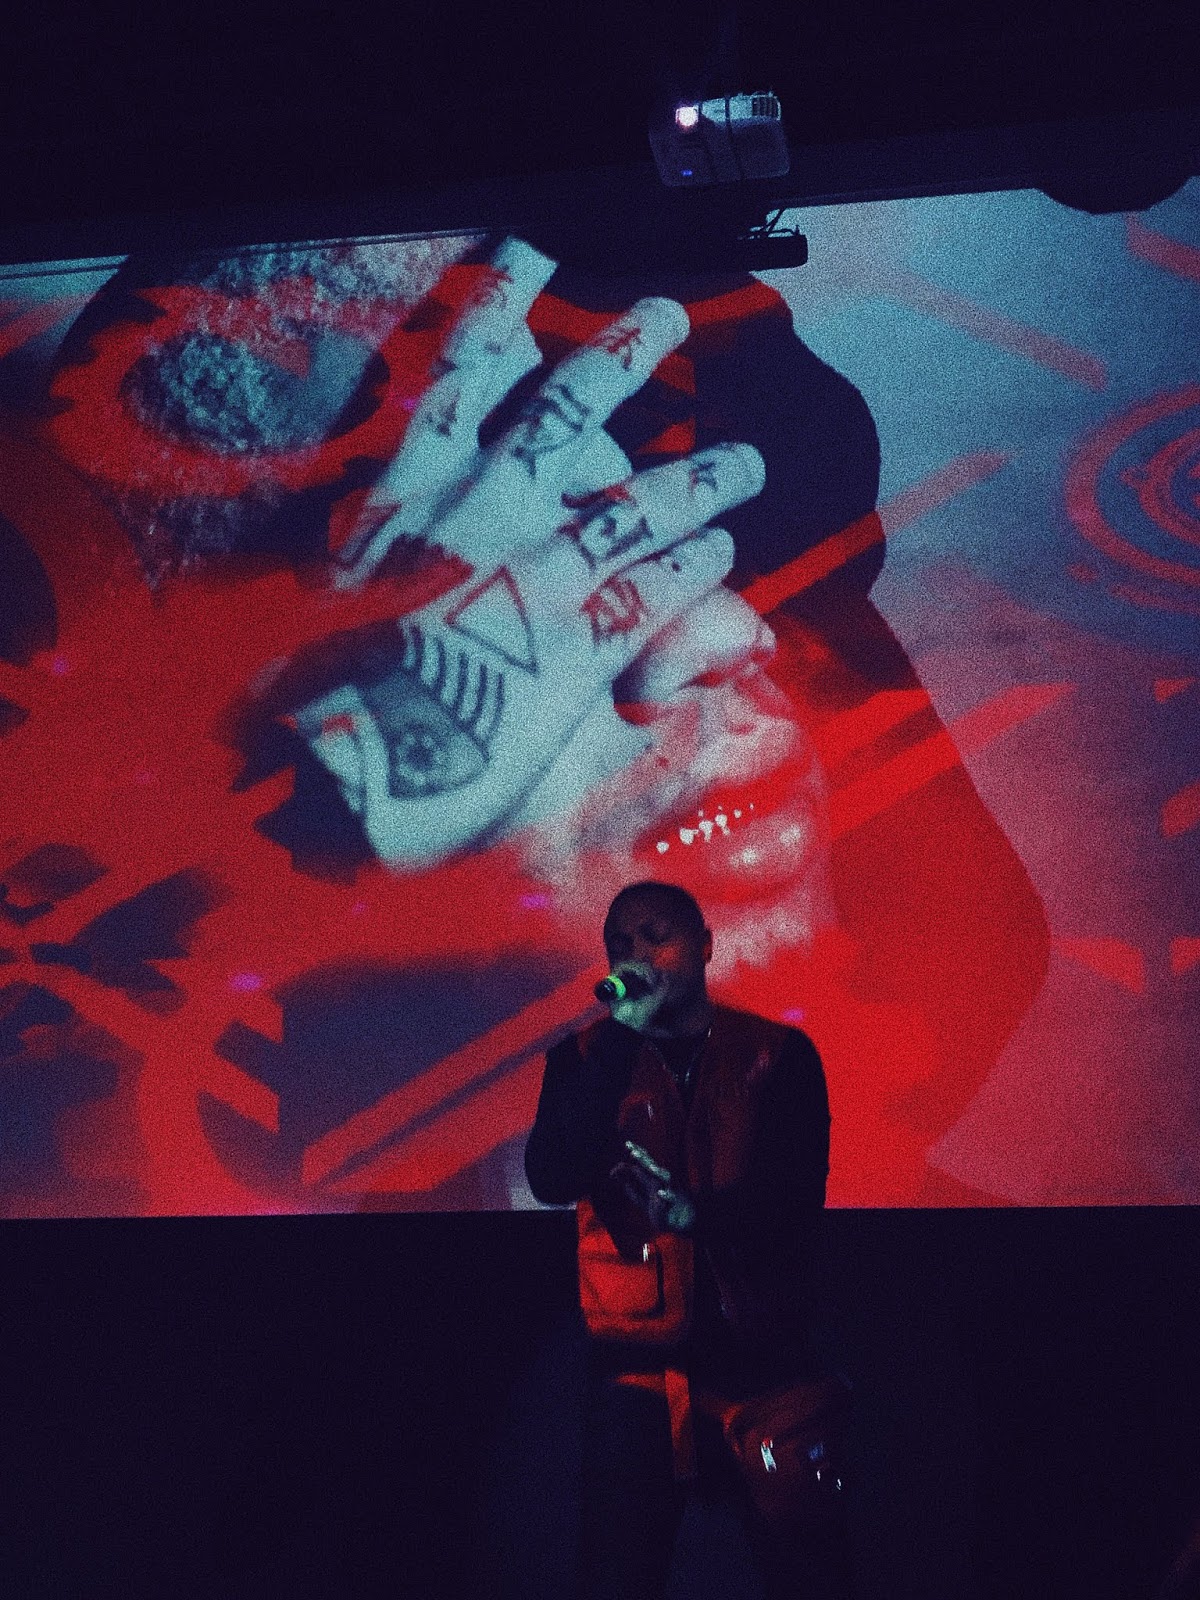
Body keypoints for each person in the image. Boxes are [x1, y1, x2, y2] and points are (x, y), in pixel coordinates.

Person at [524, 879, 851, 1600]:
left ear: (704, 946)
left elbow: (793, 1199)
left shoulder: (777, 1054)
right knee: (617, 1577)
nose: (637, 954)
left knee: (805, 1573)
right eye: (620, 942)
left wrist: (692, 1216)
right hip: (638, 1371)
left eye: (656, 936)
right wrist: (622, 1038)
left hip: (765, 1363)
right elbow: (552, 1174)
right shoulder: (585, 1059)